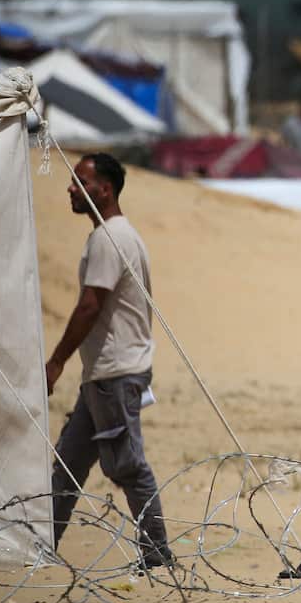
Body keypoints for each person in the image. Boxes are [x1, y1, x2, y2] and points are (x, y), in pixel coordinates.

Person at [46, 153, 173, 568]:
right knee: (69, 463)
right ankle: (42, 546)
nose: (71, 189)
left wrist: (57, 361)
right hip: (103, 372)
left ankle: (157, 554)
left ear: (105, 189)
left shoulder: (110, 237)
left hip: (115, 372)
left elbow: (90, 306)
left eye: (80, 182)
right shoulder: (115, 234)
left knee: (126, 464)